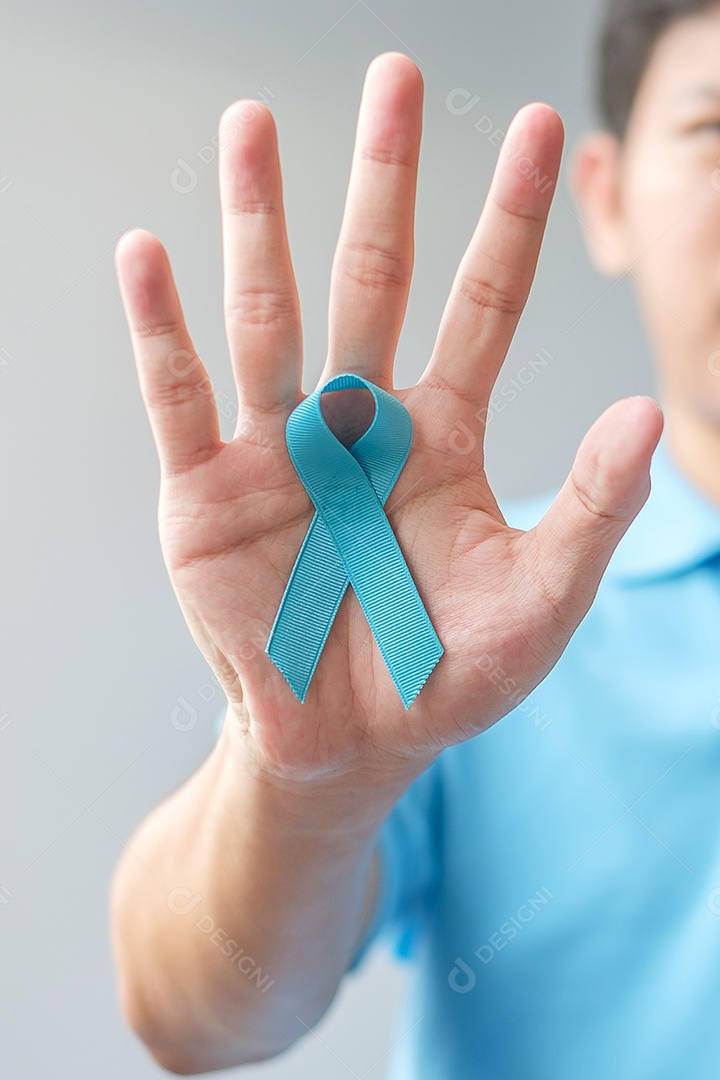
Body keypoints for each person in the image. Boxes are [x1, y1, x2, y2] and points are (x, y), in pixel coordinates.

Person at [108, 0, 720, 1074]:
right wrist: (309, 783)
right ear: (611, 199)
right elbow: (190, 1011)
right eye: (716, 136)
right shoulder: (461, 611)